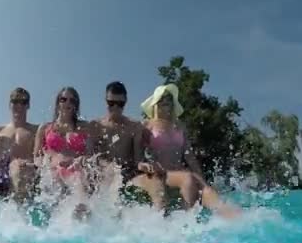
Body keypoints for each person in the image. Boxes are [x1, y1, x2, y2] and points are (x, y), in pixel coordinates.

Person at [130, 83, 241, 218]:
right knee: (187, 178)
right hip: (160, 173)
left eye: (170, 100)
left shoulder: (180, 126)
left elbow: (190, 157)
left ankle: (236, 217)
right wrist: (144, 165)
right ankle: (188, 222)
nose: (167, 103)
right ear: (156, 103)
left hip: (177, 171)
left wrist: (202, 180)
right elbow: (138, 156)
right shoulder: (146, 126)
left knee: (206, 189)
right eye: (163, 99)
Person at [33, 87, 95, 218]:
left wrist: (81, 159)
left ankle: (81, 217)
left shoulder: (85, 127)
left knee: (79, 181)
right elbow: (36, 157)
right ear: (57, 103)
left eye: (72, 101)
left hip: (75, 169)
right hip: (52, 171)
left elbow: (90, 154)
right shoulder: (45, 128)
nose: (67, 103)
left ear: (76, 105)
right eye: (63, 99)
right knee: (53, 179)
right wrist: (45, 164)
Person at [90, 81, 144, 190]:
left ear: (125, 102)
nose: (115, 108)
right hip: (102, 173)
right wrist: (107, 166)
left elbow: (138, 160)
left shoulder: (134, 127)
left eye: (120, 104)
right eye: (111, 103)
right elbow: (91, 156)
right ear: (106, 100)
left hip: (127, 174)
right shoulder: (96, 125)